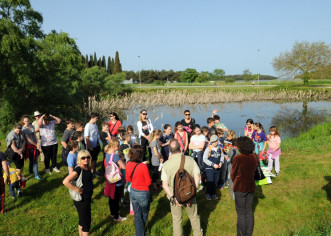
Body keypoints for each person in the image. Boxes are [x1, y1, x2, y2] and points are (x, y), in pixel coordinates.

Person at [161, 139, 203, 236]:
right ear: (180, 147)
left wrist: (173, 198)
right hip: (190, 191)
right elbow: (197, 177)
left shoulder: (166, 165)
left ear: (169, 150)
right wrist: (192, 193)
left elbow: (164, 185)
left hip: (174, 194)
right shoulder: (190, 160)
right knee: (193, 216)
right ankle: (198, 234)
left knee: (176, 219)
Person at [231, 136, 257, 236]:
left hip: (240, 187)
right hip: (251, 186)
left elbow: (233, 174)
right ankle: (248, 233)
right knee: (249, 211)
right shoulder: (254, 156)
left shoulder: (238, 158)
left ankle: (241, 234)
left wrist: (236, 180)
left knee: (241, 213)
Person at [63, 150, 94, 236]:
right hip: (82, 200)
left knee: (82, 220)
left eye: (88, 157)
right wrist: (77, 189)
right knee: (86, 223)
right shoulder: (78, 169)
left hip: (86, 199)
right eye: (83, 158)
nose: (86, 159)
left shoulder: (86, 167)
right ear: (79, 159)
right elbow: (65, 181)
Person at [126, 145, 152, 236]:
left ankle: (139, 232)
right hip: (143, 192)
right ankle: (141, 232)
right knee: (144, 213)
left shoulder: (128, 164)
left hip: (133, 191)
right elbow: (148, 182)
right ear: (140, 155)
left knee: (137, 214)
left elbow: (128, 179)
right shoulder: (143, 166)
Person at [104, 139, 127, 222]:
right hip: (117, 180)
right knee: (116, 199)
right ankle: (117, 217)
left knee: (111, 197)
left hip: (110, 179)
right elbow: (123, 166)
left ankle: (112, 213)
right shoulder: (115, 156)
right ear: (113, 147)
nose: (119, 147)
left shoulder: (107, 154)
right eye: (118, 146)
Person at [203, 135, 224, 200]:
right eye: (213, 142)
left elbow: (222, 156)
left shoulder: (220, 149)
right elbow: (204, 159)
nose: (215, 143)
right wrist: (212, 164)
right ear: (211, 142)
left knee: (215, 182)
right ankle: (208, 194)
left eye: (216, 141)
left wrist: (221, 162)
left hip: (217, 169)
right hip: (210, 168)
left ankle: (213, 193)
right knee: (210, 181)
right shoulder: (208, 149)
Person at [21, 115, 41, 180]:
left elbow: (35, 135)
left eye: (28, 121)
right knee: (35, 160)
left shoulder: (31, 126)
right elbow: (28, 139)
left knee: (33, 159)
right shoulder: (23, 129)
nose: (27, 122)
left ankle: (31, 171)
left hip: (35, 144)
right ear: (23, 122)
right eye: (25, 121)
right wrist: (36, 145)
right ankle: (36, 175)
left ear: (29, 120)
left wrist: (37, 142)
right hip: (29, 146)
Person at [0, 143, 10, 214]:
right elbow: (5, 168)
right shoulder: (1, 155)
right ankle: (1, 210)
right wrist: (8, 177)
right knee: (1, 193)